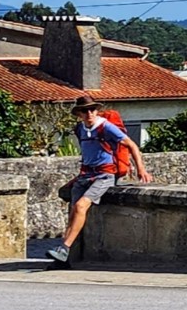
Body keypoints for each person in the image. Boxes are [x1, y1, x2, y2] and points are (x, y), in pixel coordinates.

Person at [46, 95, 151, 264]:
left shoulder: (106, 127)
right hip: (86, 175)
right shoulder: (80, 128)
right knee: (74, 214)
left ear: (96, 111)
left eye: (92, 109)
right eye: (85, 110)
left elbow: (131, 145)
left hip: (104, 175)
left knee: (81, 206)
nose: (89, 113)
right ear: (79, 113)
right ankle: (63, 256)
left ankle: (64, 248)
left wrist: (141, 169)